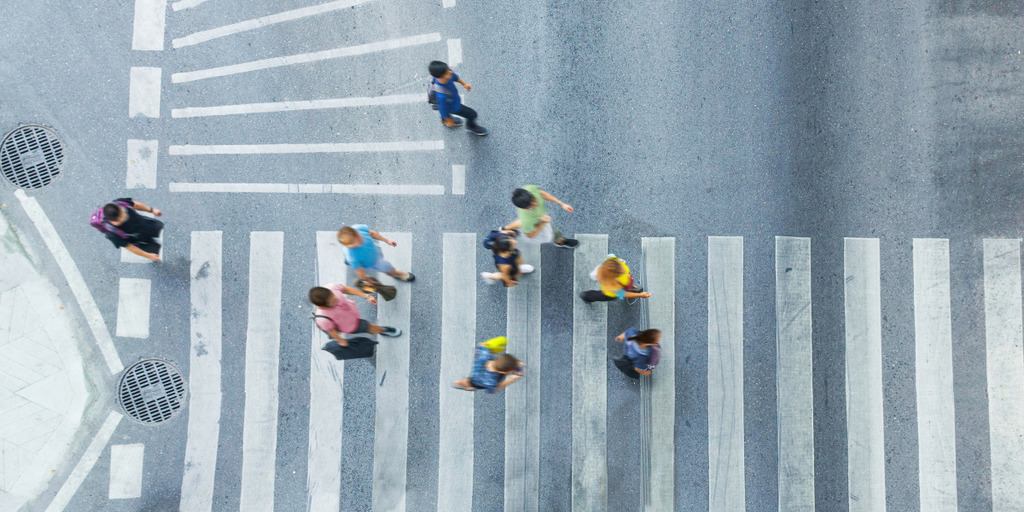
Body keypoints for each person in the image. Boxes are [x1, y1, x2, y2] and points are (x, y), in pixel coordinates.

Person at [309, 284, 402, 346]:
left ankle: (381, 330)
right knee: (370, 327)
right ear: (323, 306)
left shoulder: (332, 288)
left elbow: (346, 289)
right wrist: (341, 341)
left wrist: (366, 296)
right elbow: (332, 332)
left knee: (369, 327)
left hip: (352, 312)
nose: (336, 299)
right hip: (351, 325)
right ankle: (383, 330)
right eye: (333, 302)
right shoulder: (323, 320)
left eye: (333, 296)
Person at [503, 186, 579, 248]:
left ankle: (505, 229)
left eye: (533, 199)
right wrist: (542, 223)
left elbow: (542, 194)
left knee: (520, 223)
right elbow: (529, 235)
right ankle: (561, 241)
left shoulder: (529, 189)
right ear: (525, 209)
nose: (536, 203)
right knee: (554, 233)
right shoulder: (527, 220)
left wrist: (561, 203)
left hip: (537, 218)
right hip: (537, 224)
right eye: (531, 205)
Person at [428, 60, 488, 136]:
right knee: (472, 114)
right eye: (447, 72)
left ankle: (445, 120)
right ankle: (471, 126)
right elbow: (443, 110)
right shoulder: (441, 96)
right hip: (454, 107)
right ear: (440, 77)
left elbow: (455, 77)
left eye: (449, 69)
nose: (450, 72)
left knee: (446, 110)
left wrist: (464, 84)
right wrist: (449, 121)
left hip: (452, 101)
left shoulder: (447, 74)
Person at [337, 225, 415, 283]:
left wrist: (387, 240)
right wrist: (368, 280)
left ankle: (347, 261)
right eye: (356, 240)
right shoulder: (353, 256)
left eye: (357, 235)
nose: (360, 238)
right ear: (348, 245)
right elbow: (360, 273)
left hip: (374, 251)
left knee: (350, 259)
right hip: (374, 262)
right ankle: (396, 274)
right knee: (387, 267)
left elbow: (372, 233)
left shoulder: (358, 228)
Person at [97, 199, 164, 262]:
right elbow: (130, 247)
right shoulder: (112, 234)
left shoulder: (120, 203)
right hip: (139, 240)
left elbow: (135, 205)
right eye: (122, 218)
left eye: (123, 211)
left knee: (161, 228)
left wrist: (152, 210)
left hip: (146, 224)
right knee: (157, 250)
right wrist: (149, 256)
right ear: (113, 221)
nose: (126, 216)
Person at [452, 341, 525, 393]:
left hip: (482, 373)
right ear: (503, 372)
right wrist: (510, 380)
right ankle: (458, 384)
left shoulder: (485, 353)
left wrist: (480, 348)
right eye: (510, 371)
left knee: (506, 365)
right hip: (478, 380)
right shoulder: (491, 381)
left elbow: (481, 345)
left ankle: (514, 366)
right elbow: (495, 389)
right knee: (470, 383)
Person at [580, 254, 651, 303]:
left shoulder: (614, 263)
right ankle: (587, 296)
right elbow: (623, 294)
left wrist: (629, 284)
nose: (622, 270)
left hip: (623, 284)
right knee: (602, 296)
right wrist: (641, 295)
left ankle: (631, 288)